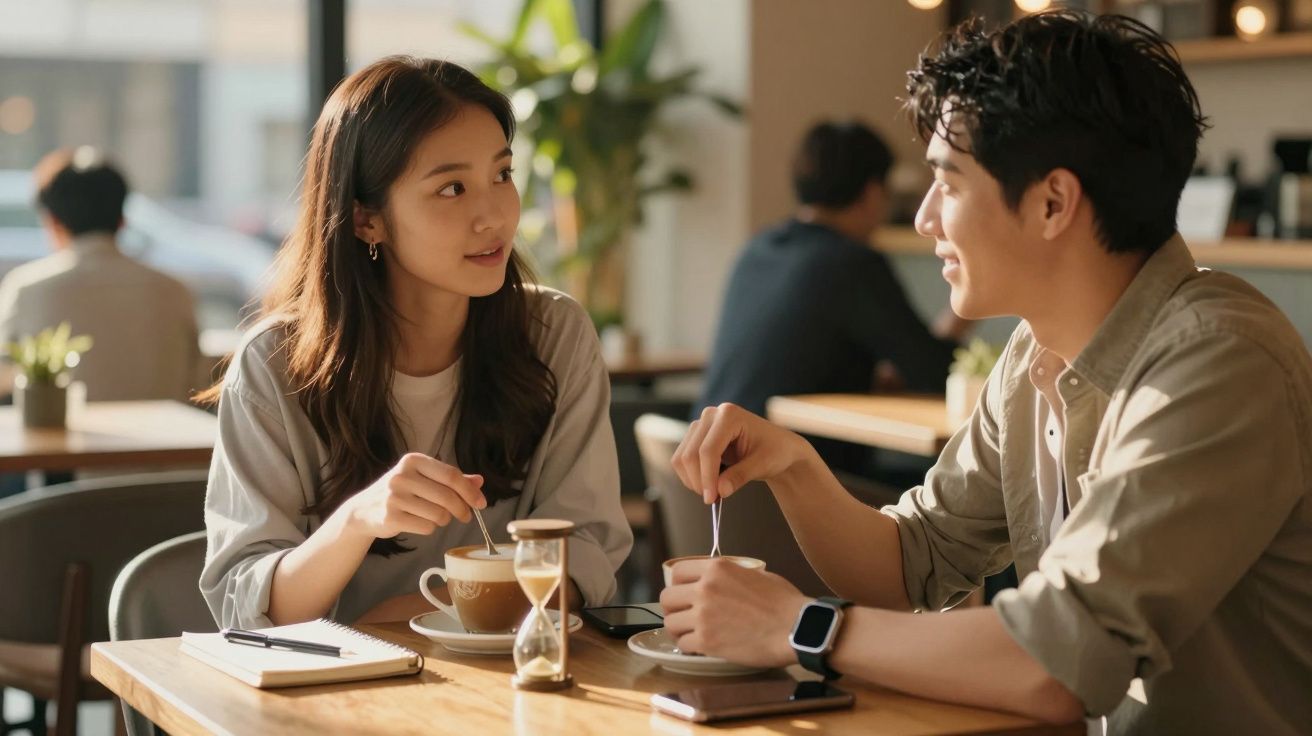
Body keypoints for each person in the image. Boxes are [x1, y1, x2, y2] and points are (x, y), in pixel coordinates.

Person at [662, 11, 1312, 734]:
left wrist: (801, 627)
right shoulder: (1032, 356)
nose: (925, 219)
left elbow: (1056, 663)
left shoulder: (1219, 361)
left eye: (949, 182)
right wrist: (795, 466)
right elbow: (913, 563)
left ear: (1052, 203)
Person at [199, 57, 633, 629]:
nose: (494, 215)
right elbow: (247, 605)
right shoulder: (274, 365)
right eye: (452, 188)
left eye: (502, 175)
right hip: (335, 697)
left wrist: (436, 614)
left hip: (507, 682)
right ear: (365, 220)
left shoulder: (554, 335)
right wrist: (358, 519)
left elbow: (588, 548)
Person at [696, 121, 971, 478]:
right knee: (955, 496)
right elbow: (935, 371)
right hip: (787, 491)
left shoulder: (757, 250)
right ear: (873, 192)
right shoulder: (851, 263)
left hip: (709, 493)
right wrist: (969, 293)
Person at [0, 148, 201, 402]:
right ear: (122, 219)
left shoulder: (27, 289)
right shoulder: (174, 291)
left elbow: (5, 380)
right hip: (174, 440)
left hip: (63, 440)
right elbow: (196, 382)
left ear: (52, 221)